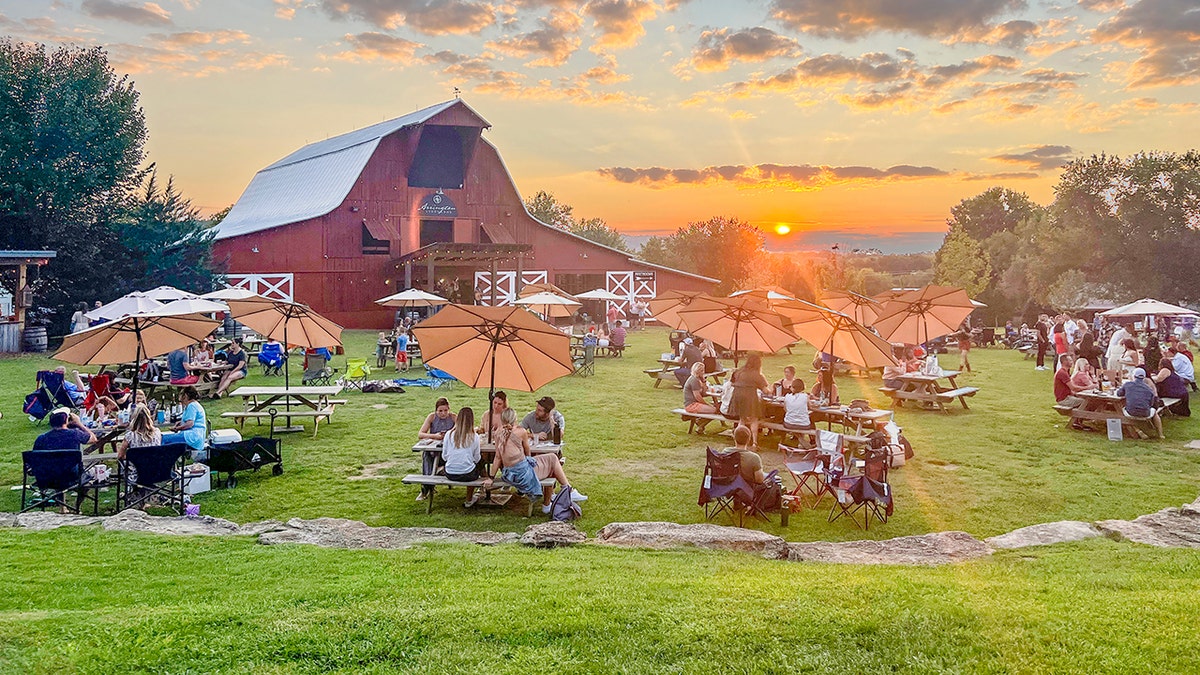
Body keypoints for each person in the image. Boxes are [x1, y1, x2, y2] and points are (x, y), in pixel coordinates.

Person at [485, 408, 585, 514]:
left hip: (509, 474)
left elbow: (498, 458)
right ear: (515, 419)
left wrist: (491, 478)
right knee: (553, 460)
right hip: (522, 474)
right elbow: (528, 452)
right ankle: (565, 492)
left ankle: (555, 497)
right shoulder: (520, 432)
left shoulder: (498, 434)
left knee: (551, 461)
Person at [441, 406, 484, 507]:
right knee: (478, 464)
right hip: (467, 474)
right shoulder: (474, 436)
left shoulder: (448, 434)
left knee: (471, 465)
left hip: (450, 472)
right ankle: (470, 498)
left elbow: (444, 456)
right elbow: (477, 458)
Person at [728, 352, 771, 447]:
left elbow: (732, 382)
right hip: (749, 397)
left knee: (742, 419)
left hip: (737, 395)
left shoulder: (739, 371)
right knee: (754, 418)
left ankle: (738, 441)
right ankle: (755, 443)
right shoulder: (756, 374)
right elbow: (766, 390)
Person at [1117, 368, 1163, 438]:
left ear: (1133, 376)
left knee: (1120, 408)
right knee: (1154, 413)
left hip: (1131, 412)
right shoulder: (1149, 389)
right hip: (1145, 413)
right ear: (1144, 377)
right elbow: (1151, 403)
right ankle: (1160, 434)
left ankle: (1137, 430)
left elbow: (1119, 393)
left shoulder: (1128, 385)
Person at [160, 387, 207, 456]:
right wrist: (180, 423)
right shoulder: (194, 405)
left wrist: (177, 428)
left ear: (185, 396)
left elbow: (190, 424)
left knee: (163, 439)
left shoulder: (192, 406)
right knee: (166, 439)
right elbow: (188, 419)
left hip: (192, 436)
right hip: (196, 436)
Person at [683, 362, 717, 432]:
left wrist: (704, 381)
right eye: (701, 370)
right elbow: (697, 396)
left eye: (703, 370)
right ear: (697, 371)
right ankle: (700, 423)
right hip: (691, 405)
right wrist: (706, 404)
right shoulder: (694, 380)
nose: (703, 372)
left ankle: (700, 424)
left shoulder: (698, 379)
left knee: (716, 410)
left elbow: (703, 393)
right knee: (715, 410)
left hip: (695, 403)